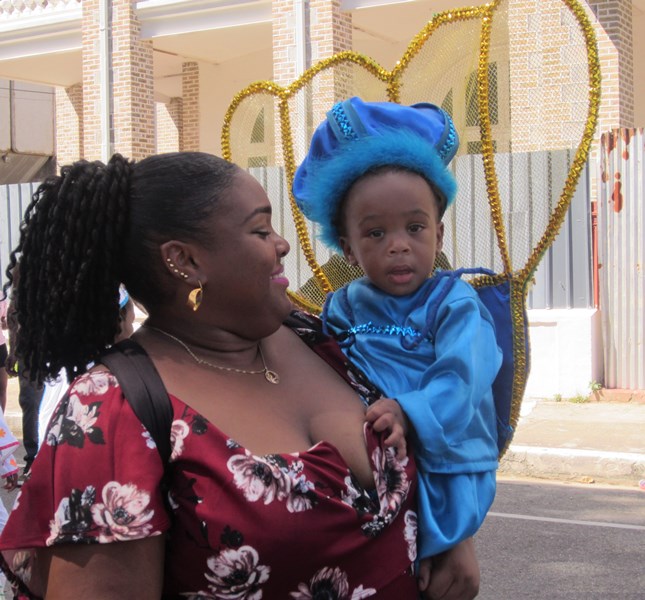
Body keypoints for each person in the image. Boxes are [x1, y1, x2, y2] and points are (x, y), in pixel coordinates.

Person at [0, 152, 479, 599]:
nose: (283, 242)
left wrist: (451, 533)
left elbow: (434, 414)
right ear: (184, 261)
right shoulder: (111, 411)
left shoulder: (319, 334)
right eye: (260, 229)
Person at [292, 97, 503, 592]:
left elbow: (462, 375)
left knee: (428, 566)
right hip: (381, 461)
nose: (398, 245)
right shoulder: (342, 307)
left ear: (439, 231)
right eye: (375, 232)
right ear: (346, 246)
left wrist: (408, 411)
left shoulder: (452, 302)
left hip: (446, 459)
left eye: (414, 227)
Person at [37, 285, 136, 449]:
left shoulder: (62, 361)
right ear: (119, 323)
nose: (133, 329)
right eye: (131, 323)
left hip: (54, 458)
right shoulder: (111, 373)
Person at [4, 292, 43, 479]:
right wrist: (13, 350)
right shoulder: (26, 269)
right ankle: (32, 459)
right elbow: (13, 314)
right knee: (30, 403)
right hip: (30, 353)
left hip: (62, 352)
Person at [0, 299, 9, 413]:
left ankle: (1, 423)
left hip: (1, 346)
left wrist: (6, 323)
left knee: (2, 389)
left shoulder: (2, 297)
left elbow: (6, 323)